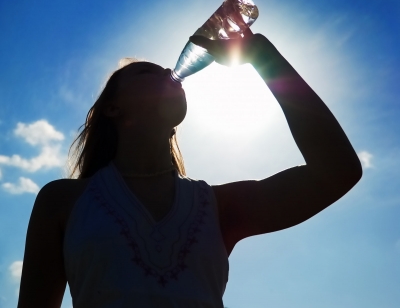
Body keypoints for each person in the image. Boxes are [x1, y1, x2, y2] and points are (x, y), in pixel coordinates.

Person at [17, 28, 362, 308]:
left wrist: (262, 55)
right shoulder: (64, 201)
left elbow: (337, 172)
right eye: (148, 72)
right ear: (113, 108)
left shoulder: (216, 206)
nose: (169, 72)